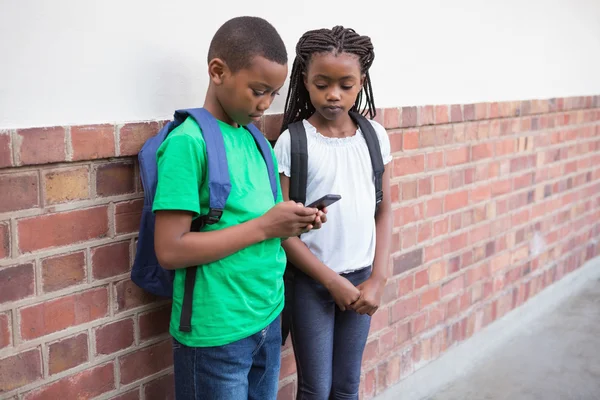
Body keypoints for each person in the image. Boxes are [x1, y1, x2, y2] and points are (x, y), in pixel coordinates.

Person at [152, 16, 324, 400]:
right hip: (217, 332)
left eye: (273, 95)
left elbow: (264, 221)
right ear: (218, 71)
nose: (264, 105)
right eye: (257, 90)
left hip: (266, 316)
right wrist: (265, 227)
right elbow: (170, 248)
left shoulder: (257, 141)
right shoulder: (189, 143)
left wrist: (295, 221)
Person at [273, 26, 393, 399]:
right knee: (316, 388)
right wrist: (329, 281)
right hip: (312, 283)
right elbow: (283, 232)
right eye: (322, 83)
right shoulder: (293, 141)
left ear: (361, 82)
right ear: (304, 80)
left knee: (346, 385)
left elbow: (385, 210)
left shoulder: (375, 136)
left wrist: (379, 279)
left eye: (346, 84)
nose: (333, 94)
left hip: (361, 281)